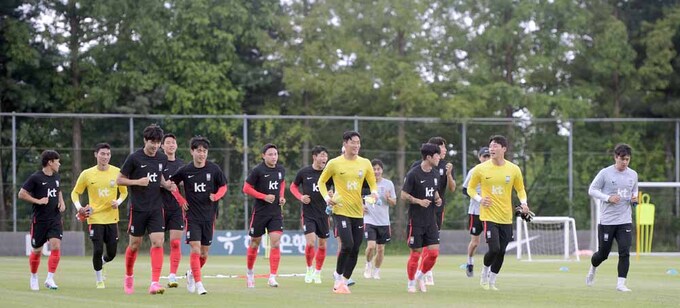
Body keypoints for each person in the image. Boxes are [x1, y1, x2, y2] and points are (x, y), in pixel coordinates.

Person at [117, 124, 175, 295]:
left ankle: (154, 283)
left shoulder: (162, 158)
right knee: (134, 245)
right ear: (145, 140)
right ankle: (128, 276)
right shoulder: (134, 158)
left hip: (156, 208)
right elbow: (119, 180)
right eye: (152, 142)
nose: (155, 146)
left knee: (158, 242)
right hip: (138, 208)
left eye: (158, 143)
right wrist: (137, 182)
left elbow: (160, 177)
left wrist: (166, 185)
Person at [318, 131, 378, 294]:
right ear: (345, 143)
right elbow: (321, 182)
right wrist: (326, 198)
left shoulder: (365, 163)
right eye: (353, 142)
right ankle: (337, 275)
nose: (357, 145)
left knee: (356, 247)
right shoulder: (334, 163)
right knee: (348, 244)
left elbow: (372, 183)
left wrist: (374, 193)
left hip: (358, 211)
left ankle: (343, 282)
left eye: (359, 142)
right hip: (340, 209)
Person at [467, 135, 530, 291]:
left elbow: (520, 189)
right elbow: (470, 188)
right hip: (488, 215)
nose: (492, 148)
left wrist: (524, 203)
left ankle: (493, 281)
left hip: (506, 217)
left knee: (501, 251)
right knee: (494, 249)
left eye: (495, 146)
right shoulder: (480, 169)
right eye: (491, 146)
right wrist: (480, 199)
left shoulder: (514, 169)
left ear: (504, 149)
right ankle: (484, 272)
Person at [170, 136, 228, 295]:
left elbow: (223, 187)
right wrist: (180, 199)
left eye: (204, 151)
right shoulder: (185, 170)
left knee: (204, 253)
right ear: (192, 151)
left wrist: (217, 196)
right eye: (199, 151)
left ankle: (190, 274)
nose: (202, 154)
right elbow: (171, 184)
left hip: (209, 216)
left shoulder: (214, 169)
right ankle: (199, 284)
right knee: (195, 249)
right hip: (192, 217)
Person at [71, 143, 129, 288]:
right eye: (102, 154)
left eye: (108, 154)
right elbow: (75, 193)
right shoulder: (87, 174)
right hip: (95, 218)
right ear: (96, 154)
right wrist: (80, 208)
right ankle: (99, 280)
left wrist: (118, 202)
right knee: (97, 249)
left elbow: (124, 192)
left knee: (112, 253)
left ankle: (100, 263)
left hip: (112, 218)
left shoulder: (117, 172)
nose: (105, 157)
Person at [587, 143, 638, 292]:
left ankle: (621, 284)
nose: (624, 162)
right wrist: (608, 198)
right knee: (603, 254)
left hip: (625, 221)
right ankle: (593, 268)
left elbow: (634, 191)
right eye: (622, 159)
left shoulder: (633, 174)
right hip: (607, 222)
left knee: (625, 252)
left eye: (627, 159)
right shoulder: (605, 173)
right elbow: (592, 190)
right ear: (616, 157)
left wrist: (634, 200)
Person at [409, 136, 455, 285]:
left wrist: (448, 175)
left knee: (433, 242)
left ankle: (426, 271)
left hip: (437, 210)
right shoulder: (417, 165)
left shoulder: (446, 166)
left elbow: (452, 188)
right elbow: (409, 187)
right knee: (418, 245)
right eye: (442, 147)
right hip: (419, 211)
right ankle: (417, 272)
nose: (445, 150)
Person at [19, 150, 66, 291]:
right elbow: (21, 194)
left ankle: (50, 278)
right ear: (50, 162)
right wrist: (37, 201)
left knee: (56, 245)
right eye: (57, 161)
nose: (59, 163)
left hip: (55, 218)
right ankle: (34, 276)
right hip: (40, 220)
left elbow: (58, 191)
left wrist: (62, 202)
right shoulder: (35, 178)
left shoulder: (57, 177)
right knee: (37, 250)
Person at [242, 143, 286, 288]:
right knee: (255, 242)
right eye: (270, 154)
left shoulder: (280, 170)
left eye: (275, 154)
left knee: (276, 242)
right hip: (260, 212)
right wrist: (263, 196)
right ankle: (249, 273)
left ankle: (272, 277)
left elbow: (282, 183)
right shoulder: (258, 170)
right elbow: (246, 188)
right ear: (263, 156)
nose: (274, 157)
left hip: (275, 213)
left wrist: (281, 196)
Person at [402, 143, 442, 293]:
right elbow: (403, 195)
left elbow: (434, 191)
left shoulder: (436, 173)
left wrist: (437, 199)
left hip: (431, 220)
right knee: (416, 253)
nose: (439, 157)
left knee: (433, 253)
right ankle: (411, 282)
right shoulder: (413, 174)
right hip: (416, 220)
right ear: (429, 157)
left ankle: (420, 275)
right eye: (437, 155)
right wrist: (418, 201)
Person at [290, 146, 331, 284]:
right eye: (322, 155)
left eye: (326, 156)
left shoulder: (328, 173)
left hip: (324, 213)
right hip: (308, 213)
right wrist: (301, 197)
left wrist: (332, 195)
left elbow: (336, 190)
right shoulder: (304, 172)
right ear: (314, 157)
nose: (324, 158)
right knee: (311, 242)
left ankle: (318, 273)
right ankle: (309, 269)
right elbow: (293, 187)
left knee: (323, 244)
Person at [362, 159, 396, 280]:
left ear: (382, 170)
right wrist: (361, 205)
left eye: (378, 169)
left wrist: (388, 198)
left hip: (384, 222)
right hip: (369, 220)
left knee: (380, 249)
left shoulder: (388, 184)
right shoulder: (365, 183)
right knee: (371, 246)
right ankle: (368, 264)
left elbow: (394, 202)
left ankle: (376, 271)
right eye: (374, 169)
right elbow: (356, 197)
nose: (376, 171)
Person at [461, 147, 491, 277]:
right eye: (484, 156)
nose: (486, 159)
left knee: (492, 243)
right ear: (479, 158)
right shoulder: (474, 171)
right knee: (475, 243)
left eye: (488, 156)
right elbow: (464, 189)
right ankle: (470, 262)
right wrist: (478, 197)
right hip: (476, 212)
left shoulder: (496, 171)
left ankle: (489, 269)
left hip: (491, 212)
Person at [160, 133, 185, 288]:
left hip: (176, 208)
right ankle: (155, 275)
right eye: (168, 142)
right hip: (159, 207)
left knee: (175, 243)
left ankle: (172, 276)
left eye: (173, 143)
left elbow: (186, 184)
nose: (171, 145)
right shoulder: (157, 162)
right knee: (158, 243)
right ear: (162, 146)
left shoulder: (182, 165)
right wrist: (165, 184)